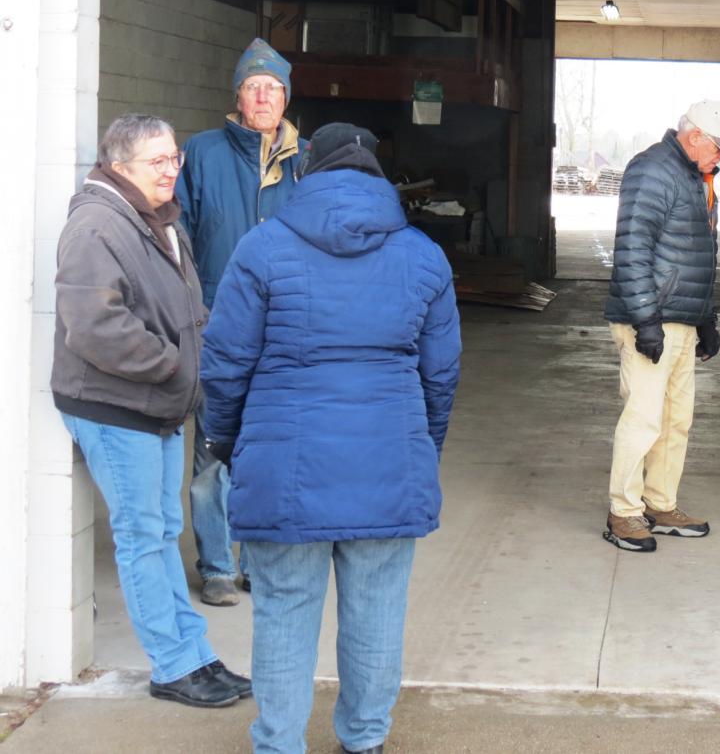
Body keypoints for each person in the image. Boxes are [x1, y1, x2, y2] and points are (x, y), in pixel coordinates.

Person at [200, 123, 461, 754]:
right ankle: (365, 740)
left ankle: (279, 743)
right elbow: (441, 372)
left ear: (308, 170)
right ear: (377, 174)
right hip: (388, 461)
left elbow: (225, 363)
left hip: (284, 463)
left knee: (284, 611)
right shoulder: (423, 255)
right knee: (377, 609)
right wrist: (420, 446)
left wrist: (226, 441)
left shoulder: (262, 247)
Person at [52, 114, 250, 708]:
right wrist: (176, 366)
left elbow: (185, 307)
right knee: (143, 537)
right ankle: (174, 665)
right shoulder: (97, 226)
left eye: (174, 158)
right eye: (157, 161)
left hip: (157, 403)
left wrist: (207, 355)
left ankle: (194, 655)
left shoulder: (157, 218)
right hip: (117, 406)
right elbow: (94, 325)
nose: (171, 171)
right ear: (119, 166)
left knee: (164, 532)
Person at [177, 37, 306, 607]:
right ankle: (216, 567)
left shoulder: (305, 161)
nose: (262, 97)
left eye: (273, 88)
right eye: (252, 87)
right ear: (237, 96)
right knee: (213, 451)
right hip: (217, 326)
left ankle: (257, 562)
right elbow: (178, 239)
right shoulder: (201, 153)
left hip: (284, 328)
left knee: (268, 449)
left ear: (285, 99)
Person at [601, 100, 720, 552]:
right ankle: (624, 513)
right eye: (718, 148)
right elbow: (632, 249)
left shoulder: (697, 176)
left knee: (675, 421)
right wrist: (646, 320)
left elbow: (700, 255)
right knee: (643, 419)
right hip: (653, 318)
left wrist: (707, 317)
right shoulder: (652, 170)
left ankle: (659, 504)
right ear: (695, 135)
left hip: (683, 321)